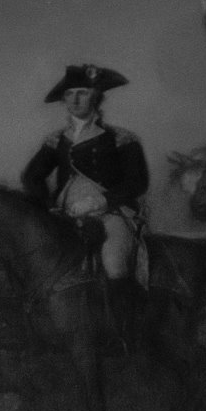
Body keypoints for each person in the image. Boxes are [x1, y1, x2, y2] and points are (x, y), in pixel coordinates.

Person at [21, 62, 148, 283]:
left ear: (96, 97)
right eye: (69, 94)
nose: (75, 99)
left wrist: (100, 201)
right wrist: (49, 207)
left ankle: (122, 316)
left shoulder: (121, 138)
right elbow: (32, 176)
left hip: (111, 214)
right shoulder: (57, 140)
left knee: (115, 265)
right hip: (65, 215)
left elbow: (137, 182)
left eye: (82, 93)